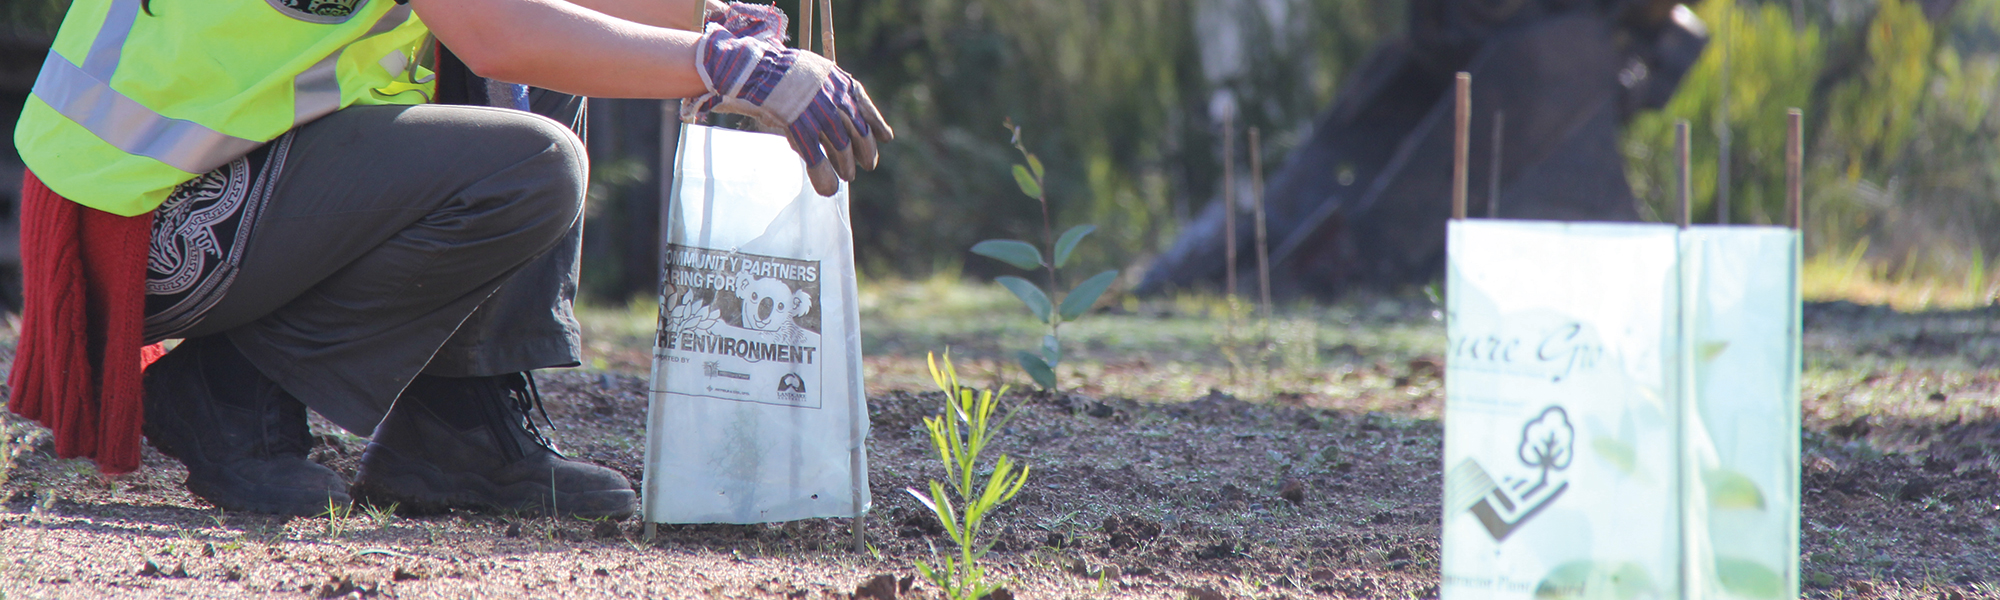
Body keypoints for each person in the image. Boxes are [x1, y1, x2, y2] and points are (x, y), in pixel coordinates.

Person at [11, 0, 889, 518]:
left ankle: (463, 427)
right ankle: (232, 389)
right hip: (138, 221)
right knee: (532, 163)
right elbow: (503, 34)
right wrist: (719, 63)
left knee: (551, 75)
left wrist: (716, 27)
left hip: (192, 175)